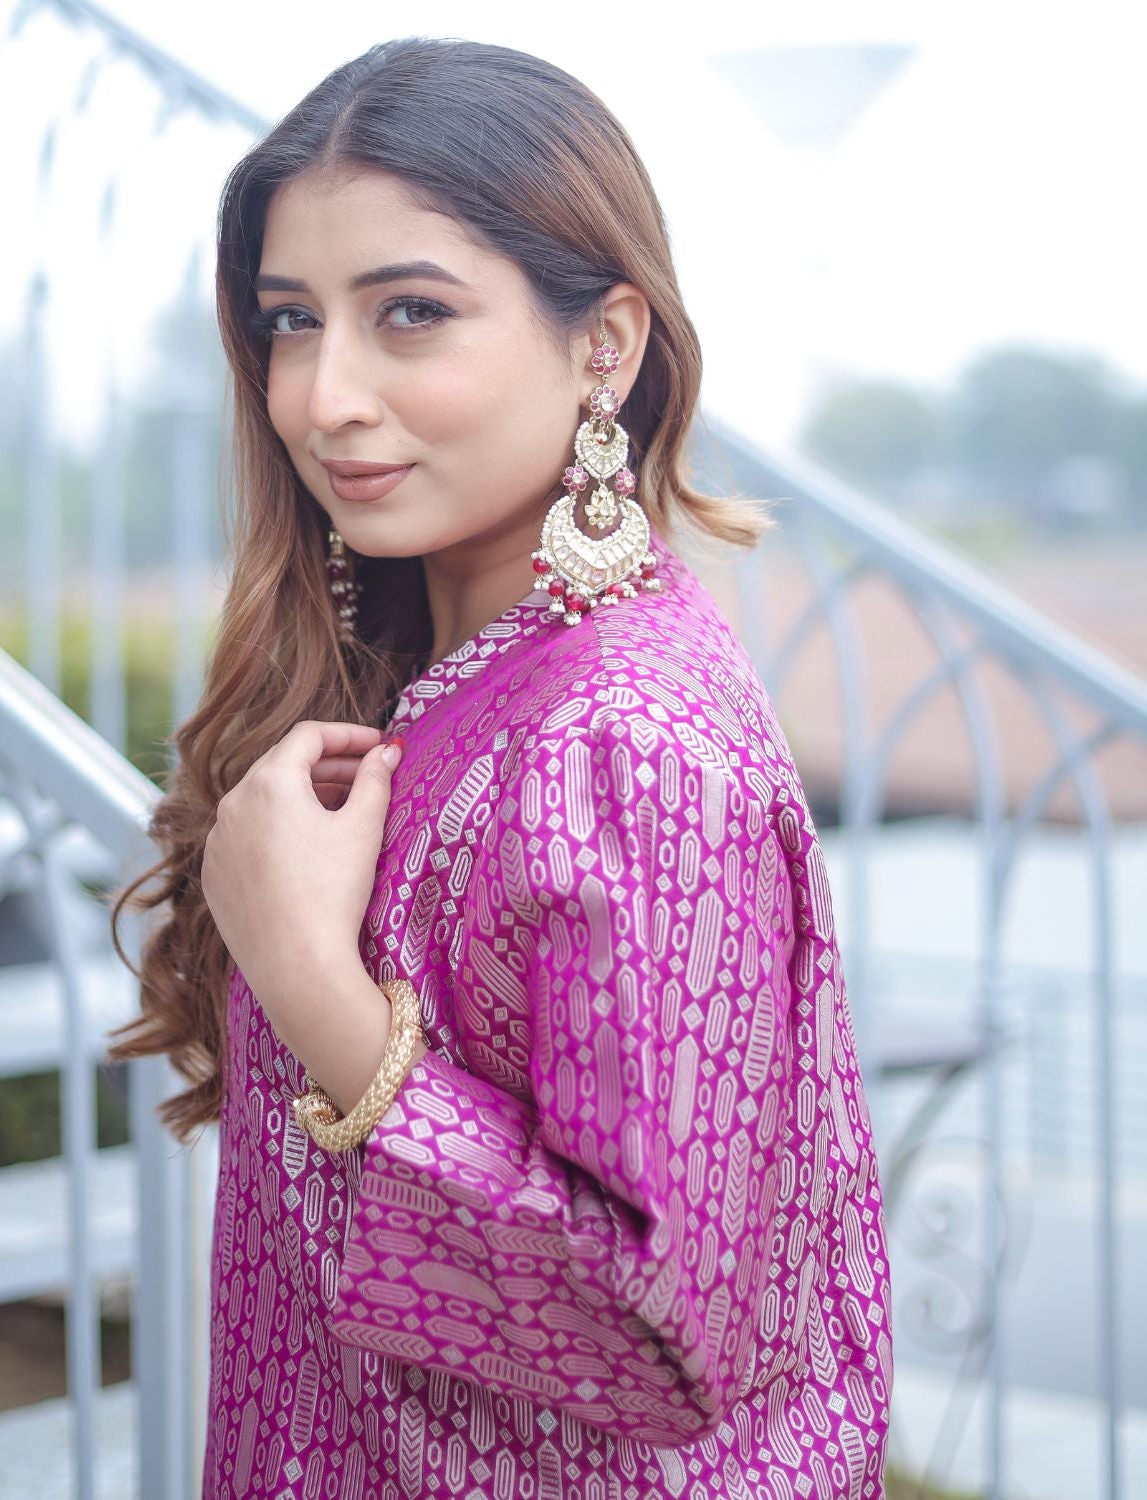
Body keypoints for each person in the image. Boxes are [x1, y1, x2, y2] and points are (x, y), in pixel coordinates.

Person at [108, 35, 892, 1500]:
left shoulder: (624, 744)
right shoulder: (425, 680)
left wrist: (316, 989)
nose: (323, 396)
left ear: (606, 344)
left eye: (410, 313)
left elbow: (651, 1334)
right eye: (290, 321)